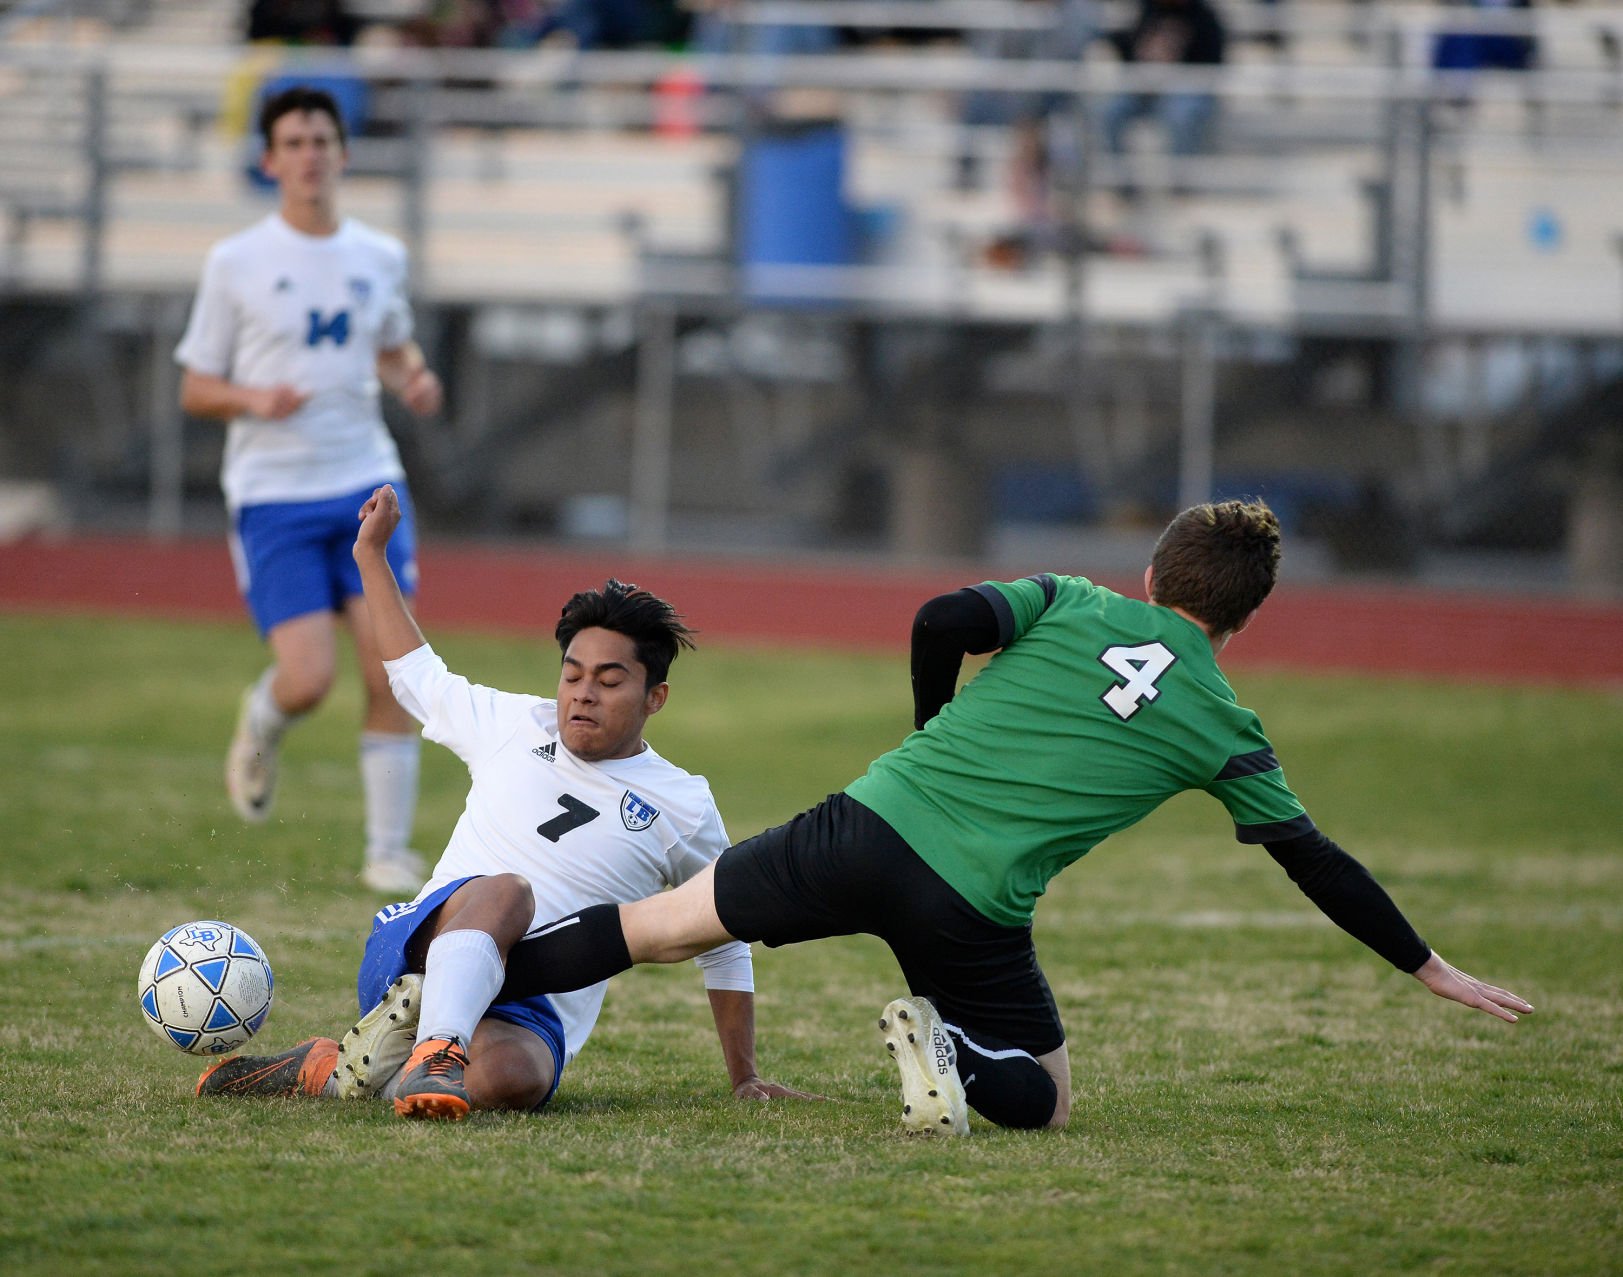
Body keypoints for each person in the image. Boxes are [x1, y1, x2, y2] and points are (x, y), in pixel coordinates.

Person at [491, 499, 1533, 1137]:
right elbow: (1314, 860)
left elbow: (940, 617)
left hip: (867, 820)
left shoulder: (1072, 599)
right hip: (971, 906)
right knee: (1045, 1097)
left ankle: (436, 989)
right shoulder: (1226, 723)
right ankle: (943, 1048)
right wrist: (1424, 962)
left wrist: (929, 729)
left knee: (660, 930)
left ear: (1153, 576)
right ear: (1243, 616)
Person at [197, 483, 818, 1119]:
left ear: (654, 698)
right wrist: (371, 557)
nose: (582, 694)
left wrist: (745, 1075)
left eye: (609, 681)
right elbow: (416, 677)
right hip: (426, 946)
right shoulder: (516, 725)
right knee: (507, 892)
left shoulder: (684, 805)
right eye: (572, 674)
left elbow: (722, 934)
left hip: (536, 1002)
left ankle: (333, 1067)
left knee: (514, 1081)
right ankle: (435, 1042)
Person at [175, 85, 444, 894]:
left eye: (322, 139)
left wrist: (415, 376)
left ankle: (386, 849)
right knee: (309, 678)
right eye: (292, 142)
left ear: (344, 152)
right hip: (275, 494)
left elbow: (392, 346)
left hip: (366, 479)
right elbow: (196, 386)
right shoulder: (236, 262)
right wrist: (254, 399)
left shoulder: (378, 255)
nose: (309, 154)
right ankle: (264, 717)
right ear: (269, 161)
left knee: (389, 668)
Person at [1101, 0, 1227, 163]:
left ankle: (1181, 180)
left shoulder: (1204, 16)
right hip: (1144, 87)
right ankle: (1121, 180)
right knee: (1113, 110)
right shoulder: (1147, 10)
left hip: (1185, 90)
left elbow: (1211, 64)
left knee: (1180, 114)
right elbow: (1128, 48)